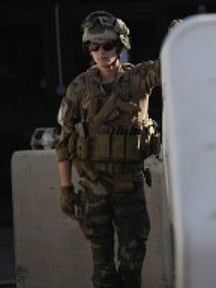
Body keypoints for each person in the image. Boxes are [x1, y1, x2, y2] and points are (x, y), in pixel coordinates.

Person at [55, 10, 161, 288]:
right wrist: (66, 189)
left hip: (129, 188)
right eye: (94, 46)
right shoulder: (79, 88)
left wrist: (181, 39)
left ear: (121, 45)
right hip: (94, 189)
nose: (100, 52)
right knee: (102, 271)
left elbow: (173, 67)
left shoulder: (140, 78)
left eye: (107, 45)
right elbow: (64, 141)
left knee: (132, 264)